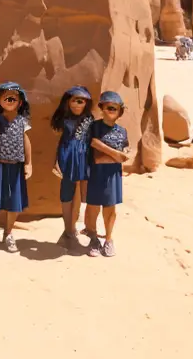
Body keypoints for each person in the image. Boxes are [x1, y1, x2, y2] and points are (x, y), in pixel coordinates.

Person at [0, 82, 33, 255]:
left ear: (20, 102)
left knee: (14, 204)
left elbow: (26, 141)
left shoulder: (22, 121)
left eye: (14, 98)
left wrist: (28, 163)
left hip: (16, 167)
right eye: (6, 98)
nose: (10, 101)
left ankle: (8, 233)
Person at [84, 90, 130, 258]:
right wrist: (115, 155)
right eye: (108, 107)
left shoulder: (122, 131)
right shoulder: (94, 127)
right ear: (102, 108)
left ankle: (109, 240)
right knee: (93, 207)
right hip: (97, 173)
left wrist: (108, 151)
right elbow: (95, 151)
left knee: (110, 208)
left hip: (113, 175)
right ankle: (93, 239)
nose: (111, 111)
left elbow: (124, 153)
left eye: (115, 108)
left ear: (119, 112)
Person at [50, 85, 93, 248]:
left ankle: (72, 229)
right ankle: (68, 230)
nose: (76, 104)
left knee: (81, 194)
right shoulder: (63, 119)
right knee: (66, 193)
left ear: (86, 103)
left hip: (84, 157)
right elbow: (58, 139)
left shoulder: (89, 119)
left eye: (80, 101)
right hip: (67, 157)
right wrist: (56, 160)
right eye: (74, 100)